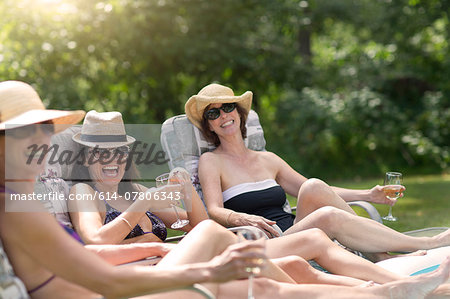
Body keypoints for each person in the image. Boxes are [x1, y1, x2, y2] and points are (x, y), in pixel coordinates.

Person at [1, 80, 450, 299]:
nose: (42, 141)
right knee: (248, 269)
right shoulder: (22, 207)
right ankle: (385, 289)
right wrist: (200, 269)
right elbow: (100, 273)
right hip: (114, 293)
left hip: (134, 274)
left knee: (286, 259)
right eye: (27, 133)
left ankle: (384, 290)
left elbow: (87, 258)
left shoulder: (25, 201)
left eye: (45, 129)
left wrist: (161, 239)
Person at [185, 83, 450, 262]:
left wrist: (369, 195)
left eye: (228, 107)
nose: (223, 115)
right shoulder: (211, 161)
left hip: (295, 228)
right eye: (213, 113)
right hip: (268, 241)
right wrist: (241, 217)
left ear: (240, 114)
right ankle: (423, 244)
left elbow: (319, 192)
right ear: (209, 126)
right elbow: (214, 210)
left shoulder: (268, 159)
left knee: (311, 185)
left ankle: (383, 256)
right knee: (328, 215)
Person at [68, 110, 208, 244]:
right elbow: (95, 241)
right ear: (85, 159)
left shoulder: (135, 191)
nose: (112, 158)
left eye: (120, 150)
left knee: (213, 233)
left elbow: (200, 227)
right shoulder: (82, 191)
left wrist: (186, 186)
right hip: (135, 268)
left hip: (164, 263)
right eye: (100, 151)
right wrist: (145, 202)